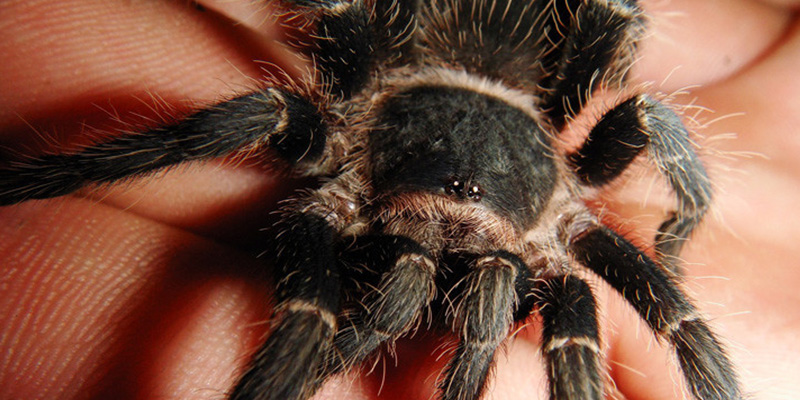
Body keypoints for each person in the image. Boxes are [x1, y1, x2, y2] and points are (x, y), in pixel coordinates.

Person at [1, 1, 798, 398]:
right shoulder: (323, 127)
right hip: (405, 97)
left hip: (511, 129)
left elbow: (654, 118)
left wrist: (683, 227)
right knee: (300, 304)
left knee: (675, 318)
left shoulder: (567, 216)